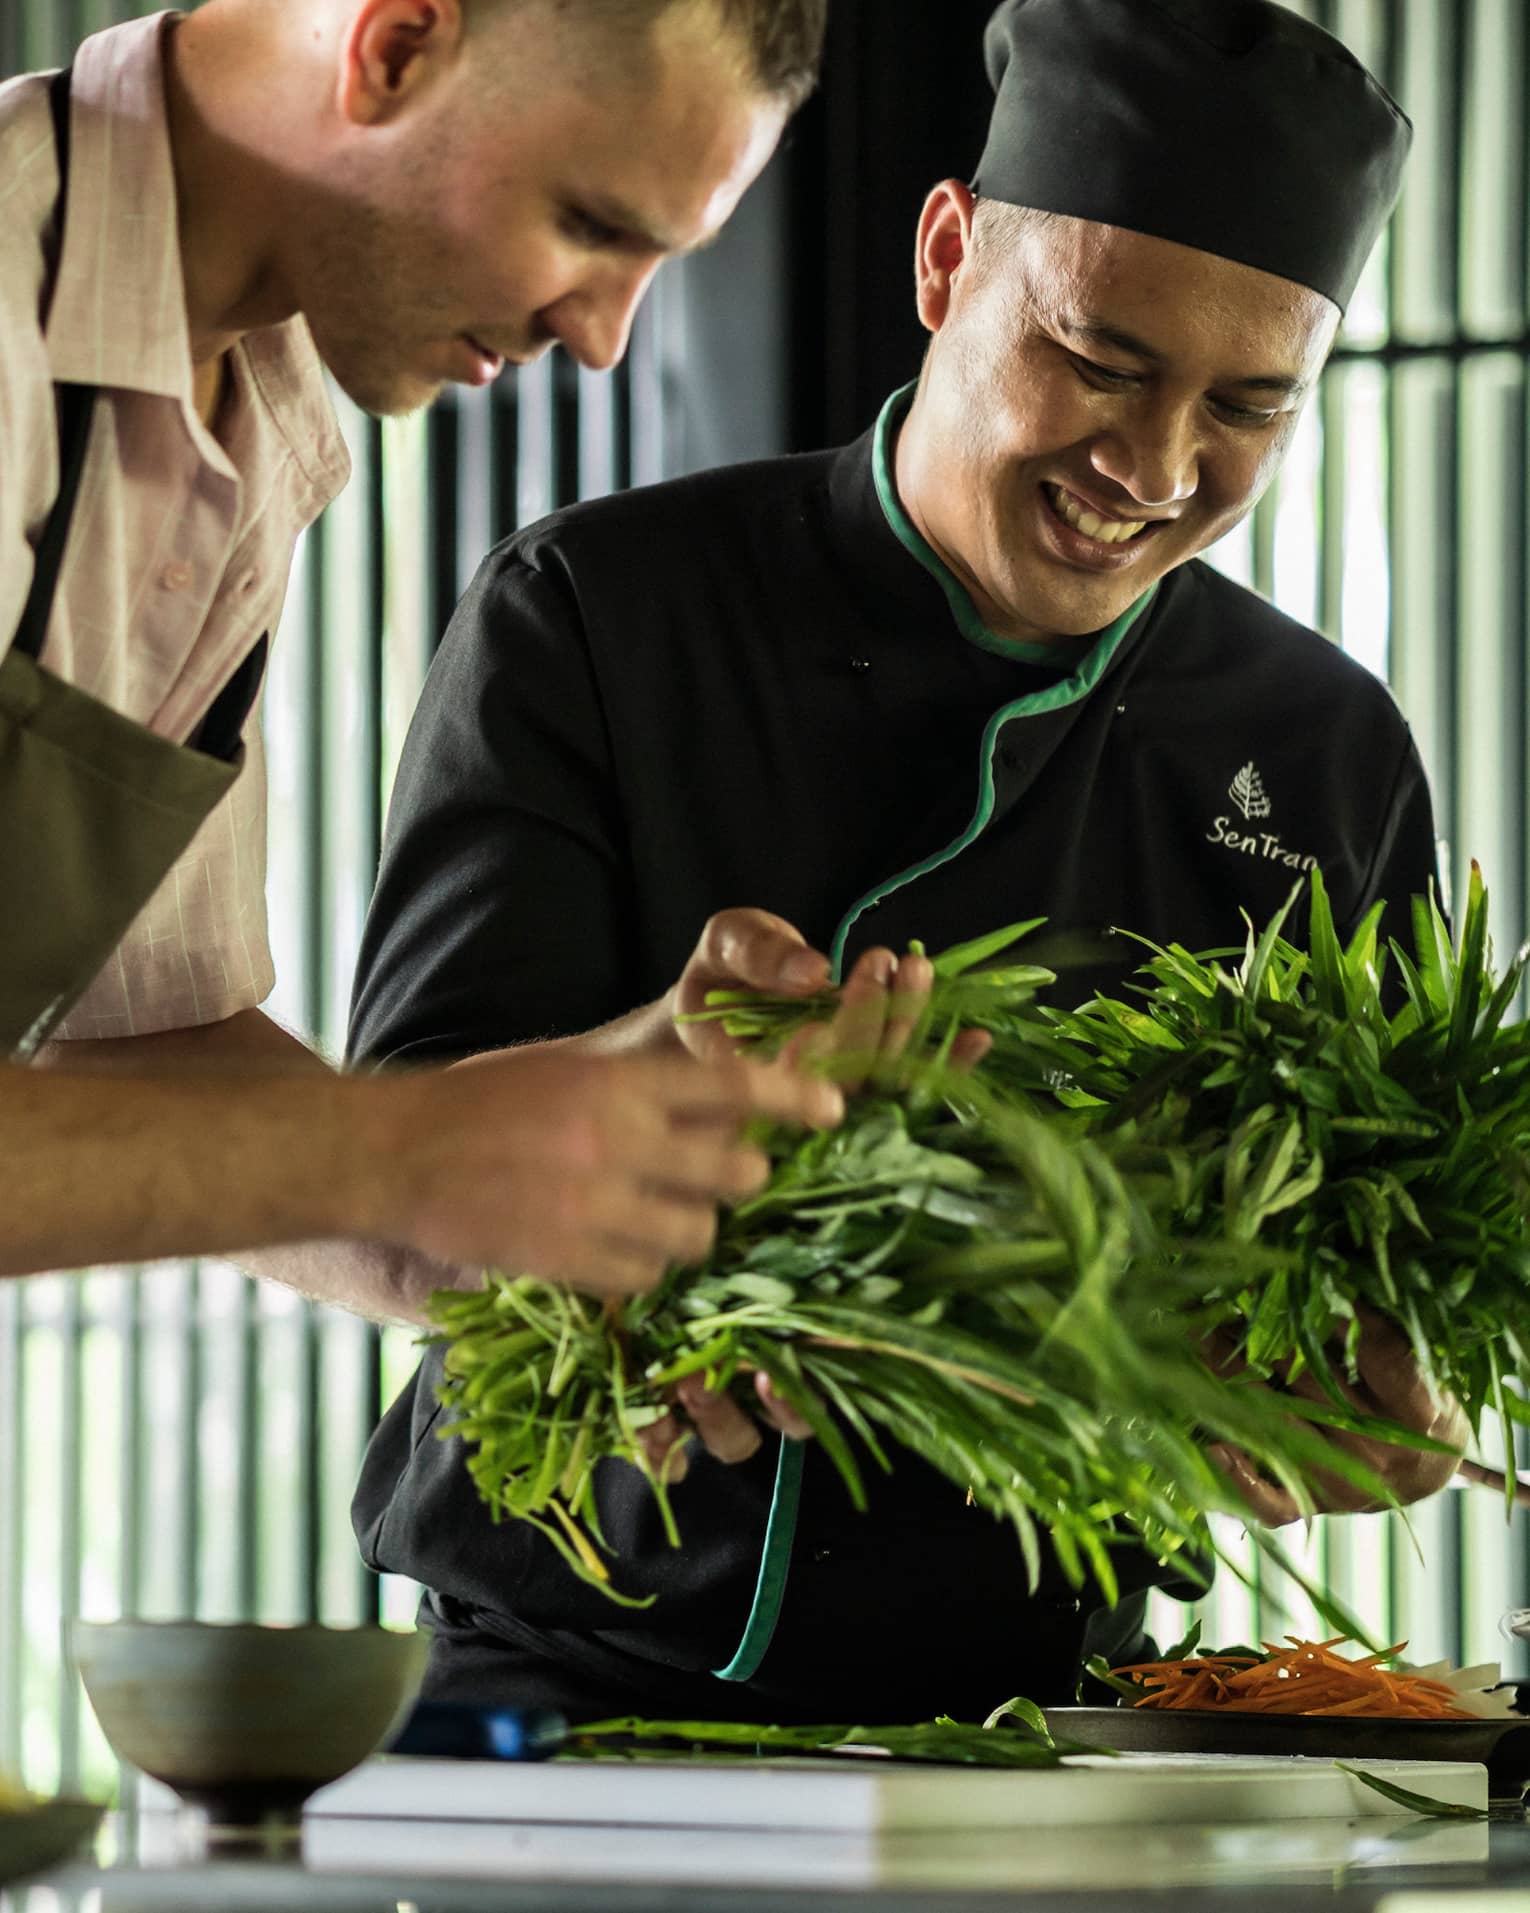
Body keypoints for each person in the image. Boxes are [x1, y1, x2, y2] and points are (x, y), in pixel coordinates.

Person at [349, 0, 1467, 1725]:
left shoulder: (1319, 747)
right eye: (1096, 359)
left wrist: (1372, 1397)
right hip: (565, 1676)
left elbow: (1366, 1247)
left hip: (1042, 1710)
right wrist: (681, 1185)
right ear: (947, 258)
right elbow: (401, 1134)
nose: (1153, 466)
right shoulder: (603, 613)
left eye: (1248, 405)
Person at [0, 0, 840, 1310]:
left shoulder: (251, 408)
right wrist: (409, 1148)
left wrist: (570, 1246)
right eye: (591, 224)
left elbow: (131, 1045)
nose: (605, 337)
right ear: (394, 47)